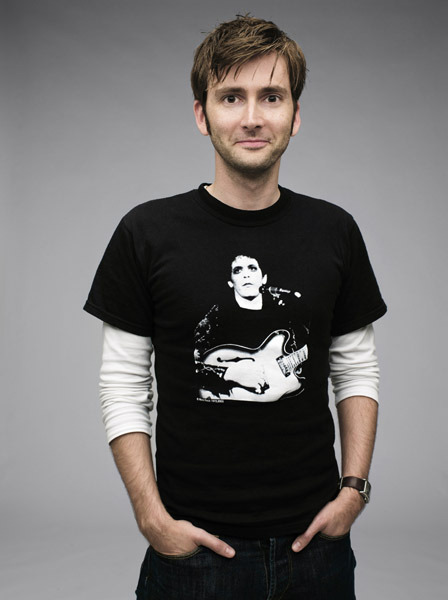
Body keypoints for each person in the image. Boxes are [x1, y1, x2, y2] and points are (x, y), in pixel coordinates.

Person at [84, 15, 387, 599]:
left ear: (295, 115)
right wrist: (151, 518)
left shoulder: (335, 231)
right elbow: (123, 385)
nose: (252, 117)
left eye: (271, 96)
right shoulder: (146, 232)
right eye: (231, 97)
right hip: (192, 553)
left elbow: (355, 370)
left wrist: (353, 491)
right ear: (202, 115)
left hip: (316, 547)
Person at [194, 253, 309, 402]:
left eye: (252, 268)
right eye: (238, 270)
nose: (246, 275)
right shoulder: (214, 319)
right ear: (230, 282)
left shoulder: (285, 313)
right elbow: (185, 365)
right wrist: (228, 373)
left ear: (264, 278)